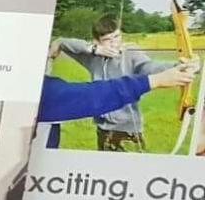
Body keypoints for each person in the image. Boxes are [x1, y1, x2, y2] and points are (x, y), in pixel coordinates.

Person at [52, 17, 181, 151]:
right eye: (108, 39)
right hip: (103, 129)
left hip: (127, 131)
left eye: (117, 36)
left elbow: (148, 66)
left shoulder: (130, 53)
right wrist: (93, 49)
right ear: (97, 41)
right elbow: (63, 43)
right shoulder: (93, 57)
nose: (114, 43)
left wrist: (176, 66)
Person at [36, 62, 197, 149]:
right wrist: (155, 81)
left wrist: (173, 67)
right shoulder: (35, 89)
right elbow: (88, 96)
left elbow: (146, 65)